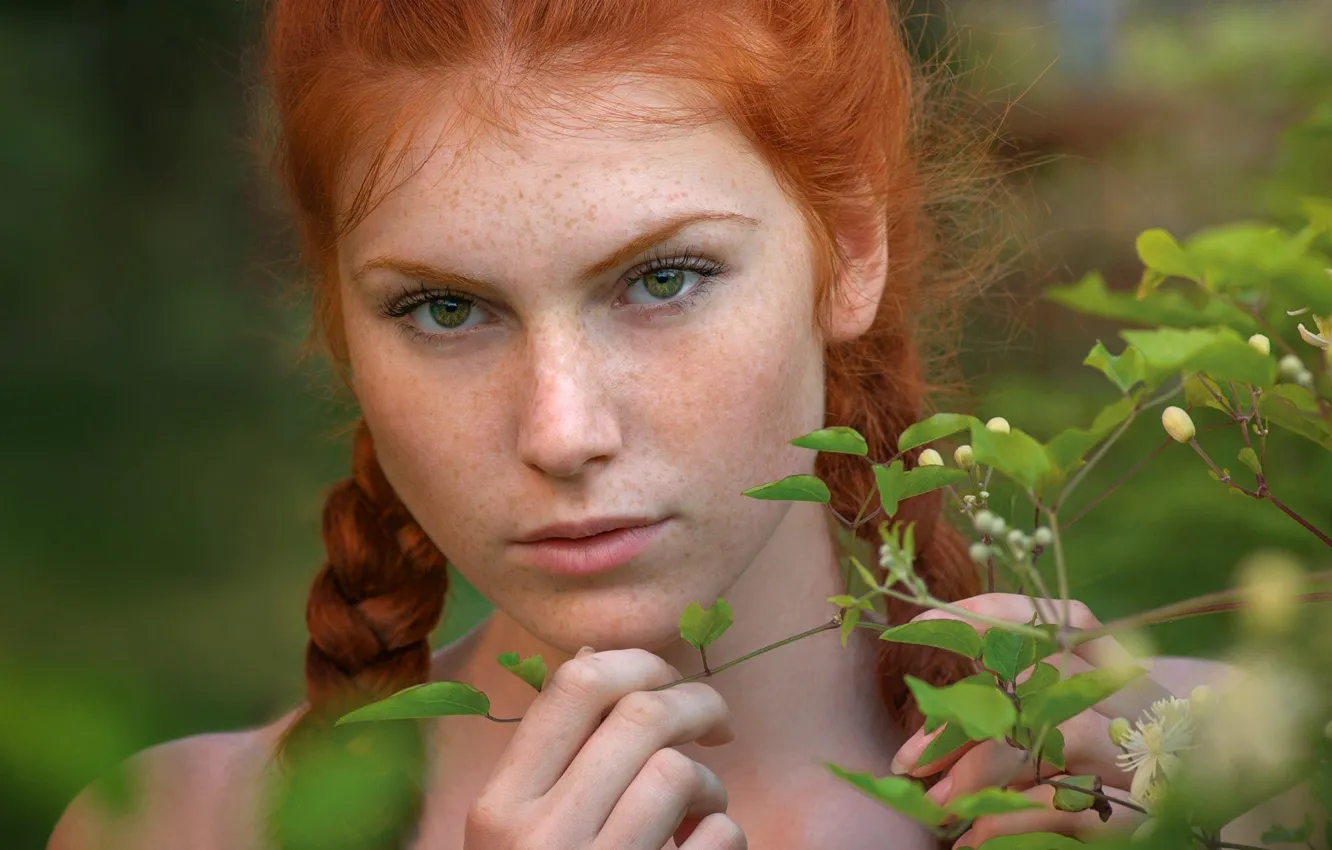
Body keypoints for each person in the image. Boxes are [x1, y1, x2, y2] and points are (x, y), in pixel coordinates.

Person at [46, 1, 1263, 848]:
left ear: (847, 248)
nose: (562, 430)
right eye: (446, 307)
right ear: (340, 323)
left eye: (662, 279)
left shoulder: (1232, 778)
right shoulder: (170, 829)